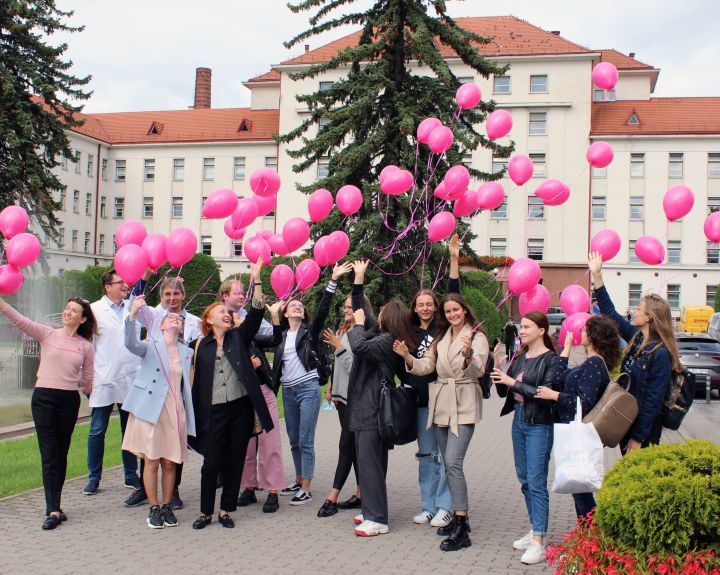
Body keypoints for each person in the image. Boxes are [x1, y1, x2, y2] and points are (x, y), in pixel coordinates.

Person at [394, 293, 489, 551]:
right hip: (441, 403)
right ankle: (454, 515)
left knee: (454, 463)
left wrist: (469, 354)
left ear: (464, 310)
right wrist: (407, 357)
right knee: (447, 463)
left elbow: (478, 368)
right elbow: (427, 366)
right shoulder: (442, 337)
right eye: (448, 311)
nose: (452, 314)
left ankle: (462, 524)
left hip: (464, 401)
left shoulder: (476, 336)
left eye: (456, 310)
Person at [189, 260, 279, 529]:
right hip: (214, 410)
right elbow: (192, 380)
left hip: (240, 409)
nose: (226, 315)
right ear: (209, 319)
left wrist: (257, 280)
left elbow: (255, 312)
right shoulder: (199, 346)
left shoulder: (238, 338)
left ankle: (226, 510)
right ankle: (205, 511)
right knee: (211, 462)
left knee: (235, 459)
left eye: (226, 313)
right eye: (221, 312)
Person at [0, 297, 95, 530]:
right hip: (43, 400)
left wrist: (82, 385)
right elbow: (21, 321)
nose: (68, 312)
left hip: (68, 401)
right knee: (50, 453)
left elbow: (88, 378)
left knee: (61, 453)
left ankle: (57, 506)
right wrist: (2, 304)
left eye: (74, 311)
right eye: (67, 308)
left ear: (82, 319)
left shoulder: (85, 346)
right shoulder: (47, 334)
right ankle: (52, 509)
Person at [273, 262, 352, 506]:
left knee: (305, 438)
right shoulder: (280, 336)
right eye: (292, 305)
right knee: (294, 438)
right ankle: (298, 480)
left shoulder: (309, 332)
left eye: (300, 305)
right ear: (285, 313)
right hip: (288, 390)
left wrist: (333, 280)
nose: (297, 306)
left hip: (307, 389)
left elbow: (322, 311)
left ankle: (306, 487)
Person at [346, 260, 416, 537]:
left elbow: (359, 346)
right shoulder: (383, 335)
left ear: (391, 318)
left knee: (369, 462)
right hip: (368, 409)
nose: (380, 313)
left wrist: (358, 325)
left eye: (383, 311)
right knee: (370, 461)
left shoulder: (387, 342)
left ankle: (377, 518)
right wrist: (359, 280)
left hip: (372, 409)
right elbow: (360, 308)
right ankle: (370, 510)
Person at [588, 251, 678, 452]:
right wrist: (597, 275)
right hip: (626, 420)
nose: (634, 311)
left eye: (639, 308)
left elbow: (653, 402)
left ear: (649, 317)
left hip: (643, 430)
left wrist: (638, 438)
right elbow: (610, 312)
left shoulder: (660, 354)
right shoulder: (637, 338)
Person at [125, 275, 202, 509]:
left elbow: (196, 367)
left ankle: (170, 498)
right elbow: (131, 341)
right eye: (167, 294)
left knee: (170, 458)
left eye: (176, 293)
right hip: (150, 404)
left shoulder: (186, 349)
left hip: (175, 405)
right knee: (149, 456)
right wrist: (131, 317)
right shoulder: (151, 340)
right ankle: (151, 502)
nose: (172, 298)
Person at [536, 316, 621, 518]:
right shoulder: (590, 362)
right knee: (577, 486)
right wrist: (564, 350)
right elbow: (558, 379)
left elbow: (584, 401)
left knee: (580, 487)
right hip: (573, 430)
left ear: (592, 336)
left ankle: (590, 535)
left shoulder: (594, 364)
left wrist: (554, 396)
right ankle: (586, 535)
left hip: (579, 432)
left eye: (584, 330)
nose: (580, 332)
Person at [491, 311, 558, 565]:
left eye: (527, 326)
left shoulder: (550, 359)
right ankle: (534, 528)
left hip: (539, 423)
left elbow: (543, 393)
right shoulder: (519, 357)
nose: (522, 330)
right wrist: (497, 367)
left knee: (536, 480)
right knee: (524, 479)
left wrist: (512, 382)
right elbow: (503, 390)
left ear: (542, 330)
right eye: (521, 326)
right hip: (518, 420)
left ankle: (540, 541)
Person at [404, 234, 461, 529]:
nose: (425, 308)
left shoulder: (443, 327)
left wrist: (453, 259)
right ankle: (428, 506)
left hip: (443, 401)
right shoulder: (409, 332)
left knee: (446, 457)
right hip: (420, 404)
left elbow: (454, 292)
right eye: (420, 304)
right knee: (426, 456)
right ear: (414, 308)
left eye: (429, 304)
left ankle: (445, 507)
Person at [220, 276, 285, 514]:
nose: (241, 296)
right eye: (236, 292)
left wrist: (276, 318)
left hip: (261, 390)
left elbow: (274, 339)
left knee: (269, 442)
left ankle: (273, 490)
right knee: (244, 443)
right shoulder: (218, 329)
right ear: (224, 297)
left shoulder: (248, 326)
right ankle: (248, 486)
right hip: (239, 395)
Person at [84, 269, 147, 496]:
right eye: (119, 282)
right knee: (97, 429)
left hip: (130, 374)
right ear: (107, 287)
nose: (124, 285)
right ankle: (93, 477)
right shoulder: (94, 310)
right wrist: (87, 378)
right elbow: (87, 346)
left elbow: (142, 288)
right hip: (104, 375)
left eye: (125, 282)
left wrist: (147, 274)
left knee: (128, 429)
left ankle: (131, 475)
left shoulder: (133, 307)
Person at [315, 292, 371, 517]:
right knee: (354, 447)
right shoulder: (345, 330)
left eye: (350, 307)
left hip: (355, 398)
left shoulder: (363, 333)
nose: (346, 310)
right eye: (345, 306)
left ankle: (332, 497)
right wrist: (330, 387)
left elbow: (357, 367)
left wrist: (339, 346)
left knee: (345, 446)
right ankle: (361, 494)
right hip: (341, 398)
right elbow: (339, 364)